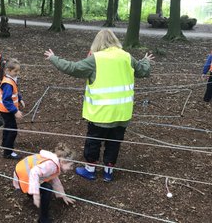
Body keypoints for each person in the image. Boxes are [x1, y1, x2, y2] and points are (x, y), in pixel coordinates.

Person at [44, 29, 154, 182]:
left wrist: (54, 58)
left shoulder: (96, 59)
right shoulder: (126, 56)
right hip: (122, 113)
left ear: (97, 43)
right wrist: (145, 60)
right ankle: (108, 172)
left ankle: (90, 170)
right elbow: (143, 71)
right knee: (114, 142)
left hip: (101, 113)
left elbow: (72, 68)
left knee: (93, 141)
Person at [13, 143, 76, 223]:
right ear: (63, 161)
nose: (71, 168)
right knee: (47, 188)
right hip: (23, 179)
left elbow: (54, 179)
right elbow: (34, 172)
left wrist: (63, 195)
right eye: (70, 165)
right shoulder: (51, 165)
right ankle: (43, 219)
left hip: (22, 175)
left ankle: (30, 193)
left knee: (45, 186)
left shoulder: (54, 161)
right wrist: (35, 194)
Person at [0, 58, 25, 159]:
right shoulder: (8, 83)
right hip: (7, 110)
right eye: (15, 71)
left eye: (18, 71)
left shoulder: (11, 79)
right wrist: (15, 111)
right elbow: (6, 100)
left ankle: (5, 144)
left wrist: (20, 99)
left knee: (7, 127)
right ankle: (8, 152)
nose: (18, 73)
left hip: (6, 109)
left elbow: (15, 92)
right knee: (12, 130)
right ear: (8, 71)